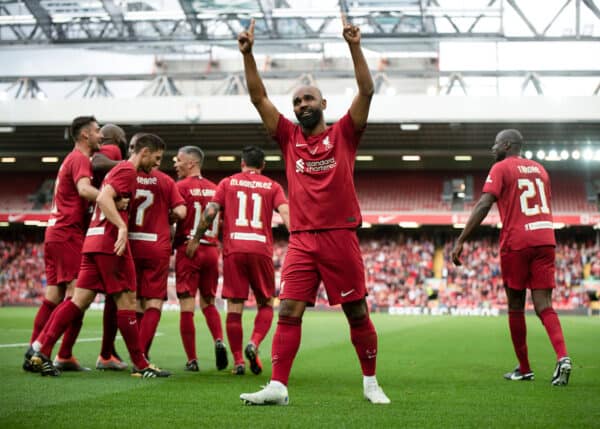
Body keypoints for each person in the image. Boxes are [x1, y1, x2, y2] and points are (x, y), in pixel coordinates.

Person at [237, 15, 390, 405]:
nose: (302, 105)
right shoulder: (288, 138)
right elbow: (259, 98)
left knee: (356, 311)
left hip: (340, 236)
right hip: (302, 240)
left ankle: (371, 383)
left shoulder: (344, 134)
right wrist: (248, 56)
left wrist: (355, 46)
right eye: (297, 102)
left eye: (308, 100)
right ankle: (278, 386)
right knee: (288, 308)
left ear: (323, 104)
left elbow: (367, 90)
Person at [30, 133, 171, 378]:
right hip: (109, 244)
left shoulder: (117, 172)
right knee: (127, 301)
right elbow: (104, 197)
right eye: (156, 158)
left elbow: (106, 196)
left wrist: (116, 207)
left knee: (78, 301)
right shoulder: (127, 170)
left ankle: (42, 350)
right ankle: (141, 364)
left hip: (93, 240)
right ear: (144, 152)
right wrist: (122, 227)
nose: (157, 164)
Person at [451, 129, 572, 386]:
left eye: (496, 145)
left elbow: (484, 204)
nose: (493, 149)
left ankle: (525, 368)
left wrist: (461, 239)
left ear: (506, 145)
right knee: (544, 305)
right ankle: (563, 357)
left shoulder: (501, 168)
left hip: (517, 242)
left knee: (515, 305)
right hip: (545, 239)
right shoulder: (541, 170)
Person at [186, 145, 289, 376]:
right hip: (261, 248)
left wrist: (195, 239)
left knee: (234, 307)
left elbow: (211, 212)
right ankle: (253, 343)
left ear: (242, 163)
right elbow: (286, 213)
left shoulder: (227, 182)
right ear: (262, 166)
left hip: (234, 248)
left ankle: (239, 362)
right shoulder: (273, 186)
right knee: (266, 303)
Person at [24, 116, 102, 373]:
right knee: (78, 295)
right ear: (85, 135)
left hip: (55, 231)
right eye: (97, 131)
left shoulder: (70, 158)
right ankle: (47, 351)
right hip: (68, 232)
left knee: (54, 295)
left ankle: (33, 351)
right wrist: (108, 199)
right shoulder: (80, 159)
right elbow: (83, 189)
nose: (100, 135)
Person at [129, 141, 186, 358]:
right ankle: (142, 355)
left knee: (132, 301)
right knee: (153, 301)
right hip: (156, 245)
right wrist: (169, 215)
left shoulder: (128, 175)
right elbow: (181, 212)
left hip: (131, 245)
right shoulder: (166, 181)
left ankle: (130, 353)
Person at [173, 145, 227, 372]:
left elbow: (174, 218)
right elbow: (222, 222)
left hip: (190, 249)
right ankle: (218, 340)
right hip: (212, 251)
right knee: (208, 302)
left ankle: (192, 359)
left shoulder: (180, 187)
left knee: (187, 305)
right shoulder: (216, 189)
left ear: (191, 163)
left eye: (179, 160)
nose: (175, 164)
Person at [93, 123, 129, 371]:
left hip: (92, 231)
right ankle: (107, 353)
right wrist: (127, 166)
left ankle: (45, 348)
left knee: (80, 296)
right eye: (123, 137)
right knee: (115, 295)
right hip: (104, 232)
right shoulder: (113, 149)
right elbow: (97, 162)